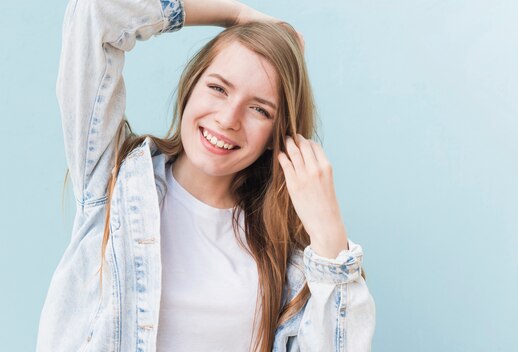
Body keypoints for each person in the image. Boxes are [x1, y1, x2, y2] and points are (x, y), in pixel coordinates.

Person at [36, 0, 376, 350]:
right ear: (191, 84)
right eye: (218, 88)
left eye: (259, 109)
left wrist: (329, 234)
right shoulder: (115, 180)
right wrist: (235, 15)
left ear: (278, 136)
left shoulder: (284, 260)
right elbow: (95, 12)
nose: (229, 118)